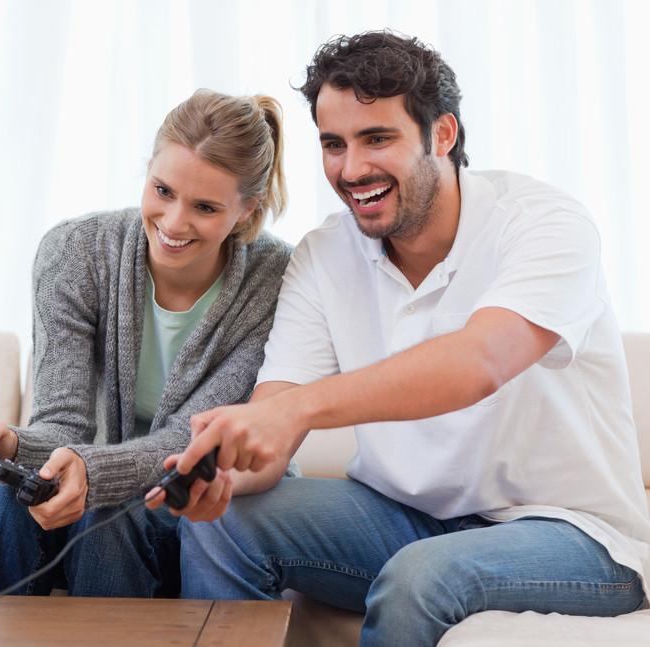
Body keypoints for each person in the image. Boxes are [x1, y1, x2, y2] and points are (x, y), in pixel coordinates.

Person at [153, 30, 650, 645]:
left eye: (377, 138)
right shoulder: (324, 255)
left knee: (421, 576)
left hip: (571, 536)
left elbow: (480, 362)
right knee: (223, 522)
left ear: (442, 134)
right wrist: (227, 471)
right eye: (334, 144)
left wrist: (299, 408)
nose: (352, 168)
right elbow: (273, 426)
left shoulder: (545, 222)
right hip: (401, 519)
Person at [0, 88, 293, 598]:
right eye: (164, 191)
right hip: (89, 496)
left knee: (104, 517)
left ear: (246, 209)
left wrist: (93, 473)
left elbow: (191, 446)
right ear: (148, 168)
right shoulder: (75, 253)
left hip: (196, 510)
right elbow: (63, 423)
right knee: (5, 505)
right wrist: (12, 446)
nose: (174, 223)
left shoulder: (274, 281)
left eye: (206, 207)